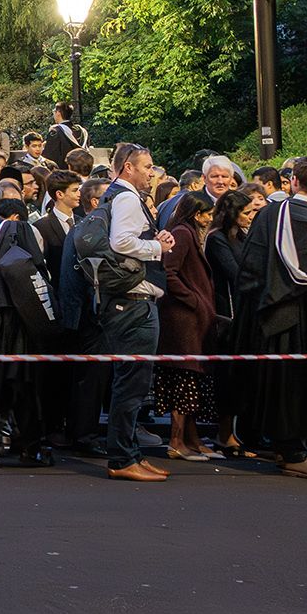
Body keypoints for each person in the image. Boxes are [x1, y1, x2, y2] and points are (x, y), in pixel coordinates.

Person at [242, 157, 307, 480]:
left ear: (294, 182)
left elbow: (251, 265)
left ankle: (283, 446)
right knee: (304, 381)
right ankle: (294, 451)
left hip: (274, 316)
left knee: (276, 380)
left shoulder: (270, 216)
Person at [0, 187, 59, 467]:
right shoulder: (18, 229)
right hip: (16, 321)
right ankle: (29, 450)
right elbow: (35, 271)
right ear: (16, 215)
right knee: (22, 387)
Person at [95, 143, 171, 482]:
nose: (152, 173)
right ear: (128, 168)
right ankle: (123, 459)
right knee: (131, 386)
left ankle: (129, 455)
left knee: (131, 385)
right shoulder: (126, 198)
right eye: (147, 166)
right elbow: (121, 242)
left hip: (128, 303)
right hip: (133, 305)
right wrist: (158, 246)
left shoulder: (117, 196)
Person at [154, 189, 219, 462]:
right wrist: (192, 300)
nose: (211, 219)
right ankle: (177, 441)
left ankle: (192, 440)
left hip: (190, 318)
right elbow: (169, 271)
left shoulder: (189, 232)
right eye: (208, 214)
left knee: (192, 379)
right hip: (182, 321)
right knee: (183, 380)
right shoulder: (182, 233)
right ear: (197, 214)